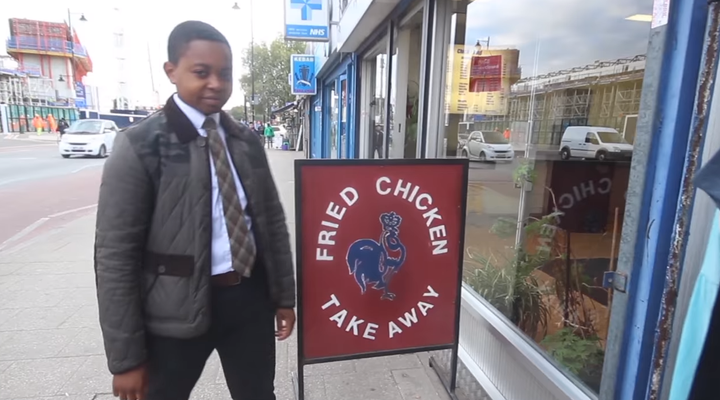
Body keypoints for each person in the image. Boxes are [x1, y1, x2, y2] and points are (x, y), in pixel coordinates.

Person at [94, 20, 296, 400]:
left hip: (248, 302)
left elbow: (271, 223)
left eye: (225, 74)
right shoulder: (140, 146)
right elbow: (115, 257)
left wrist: (284, 296)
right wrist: (126, 359)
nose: (216, 84)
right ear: (172, 71)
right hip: (173, 313)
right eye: (201, 72)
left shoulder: (245, 141)